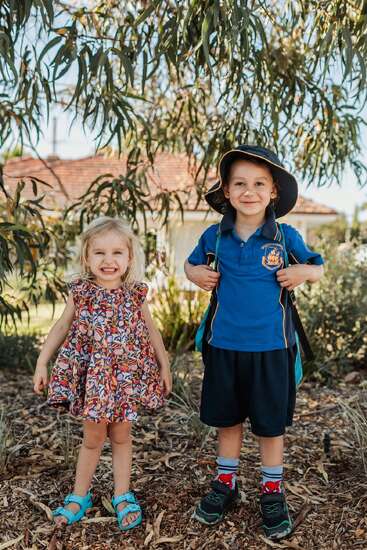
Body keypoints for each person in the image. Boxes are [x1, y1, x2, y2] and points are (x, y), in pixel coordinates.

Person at [184, 145, 324, 540]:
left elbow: (317, 266)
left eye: (259, 183)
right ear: (226, 191)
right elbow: (190, 263)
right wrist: (194, 273)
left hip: (272, 349)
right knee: (227, 421)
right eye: (240, 183)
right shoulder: (216, 235)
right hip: (224, 345)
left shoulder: (284, 235)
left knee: (269, 425)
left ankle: (272, 491)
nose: (250, 191)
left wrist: (301, 273)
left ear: (273, 192)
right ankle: (226, 484)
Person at [33, 216, 172, 530]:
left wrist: (164, 365)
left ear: (129, 258)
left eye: (117, 253)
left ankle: (122, 494)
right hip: (94, 382)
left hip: (124, 380)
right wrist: (43, 361)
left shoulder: (135, 293)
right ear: (86, 257)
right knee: (93, 439)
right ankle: (79, 495)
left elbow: (152, 332)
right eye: (99, 253)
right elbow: (61, 326)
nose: (108, 260)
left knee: (122, 438)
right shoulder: (81, 293)